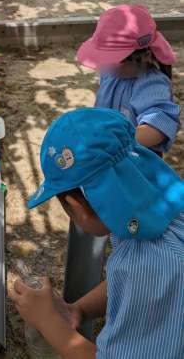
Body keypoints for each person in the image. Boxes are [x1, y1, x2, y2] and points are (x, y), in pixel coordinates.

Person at [10, 107, 184, 359]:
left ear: (76, 206)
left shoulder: (149, 268)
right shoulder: (153, 218)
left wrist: (48, 321)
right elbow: (127, 280)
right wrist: (79, 309)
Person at [77, 5, 180, 157]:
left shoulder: (152, 85)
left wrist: (117, 140)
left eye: (114, 61)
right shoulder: (112, 72)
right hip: (109, 154)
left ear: (144, 57)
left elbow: (159, 127)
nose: (106, 66)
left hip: (136, 162)